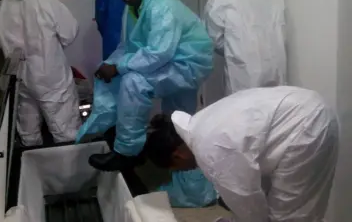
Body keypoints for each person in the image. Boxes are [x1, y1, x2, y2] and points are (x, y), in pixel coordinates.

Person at [76, 0, 214, 171]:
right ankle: (190, 190)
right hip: (176, 61)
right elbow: (130, 45)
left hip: (187, 64)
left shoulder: (161, 7)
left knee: (134, 82)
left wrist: (118, 67)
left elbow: (159, 53)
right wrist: (111, 63)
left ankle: (128, 153)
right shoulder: (134, 9)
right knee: (180, 125)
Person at [145, 86, 339, 222]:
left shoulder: (211, 151)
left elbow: (247, 202)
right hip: (308, 108)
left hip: (304, 127)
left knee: (292, 216)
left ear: (178, 155)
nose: (186, 170)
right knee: (293, 209)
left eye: (177, 168)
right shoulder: (202, 122)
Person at [0, 0, 81, 146]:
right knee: (65, 132)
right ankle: (67, 171)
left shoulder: (4, 5)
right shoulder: (46, 0)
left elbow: (4, 37)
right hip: (51, 79)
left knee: (29, 134)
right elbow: (70, 33)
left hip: (21, 77)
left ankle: (33, 170)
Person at [204, 0, 286, 95]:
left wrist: (236, 48)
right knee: (274, 109)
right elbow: (281, 29)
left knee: (244, 111)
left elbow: (215, 39)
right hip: (275, 68)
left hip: (243, 73)